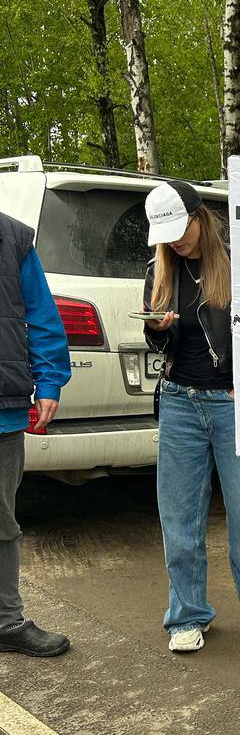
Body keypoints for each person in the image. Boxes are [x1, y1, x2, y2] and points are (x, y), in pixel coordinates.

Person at [142, 180, 240, 654]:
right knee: (179, 517)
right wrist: (158, 330)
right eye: (166, 234)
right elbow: (160, 343)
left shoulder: (239, 265)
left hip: (234, 403)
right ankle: (186, 616)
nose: (175, 241)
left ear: (200, 218)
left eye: (181, 229)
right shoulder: (158, 269)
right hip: (179, 401)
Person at [0, 211, 71, 658]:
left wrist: (49, 382)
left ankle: (5, 622)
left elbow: (42, 316)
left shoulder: (13, 238)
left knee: (1, 523)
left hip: (3, 410)